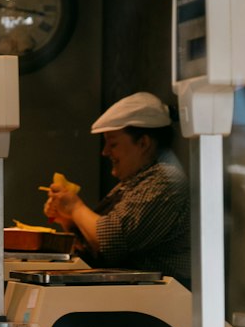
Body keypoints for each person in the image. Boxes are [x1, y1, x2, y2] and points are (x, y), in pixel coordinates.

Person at [43, 92, 192, 286]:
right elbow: (95, 247)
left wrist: (75, 208)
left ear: (143, 143)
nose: (105, 152)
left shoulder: (166, 182)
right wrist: (68, 220)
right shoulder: (136, 181)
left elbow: (110, 241)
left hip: (159, 304)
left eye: (113, 144)